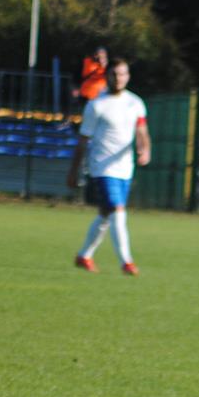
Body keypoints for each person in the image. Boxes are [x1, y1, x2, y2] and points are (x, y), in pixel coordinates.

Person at [69, 58, 149, 276]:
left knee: (106, 213)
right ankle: (127, 262)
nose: (119, 78)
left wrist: (145, 150)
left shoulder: (136, 103)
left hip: (125, 167)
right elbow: (83, 141)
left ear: (128, 76)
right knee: (117, 209)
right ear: (107, 76)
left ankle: (84, 255)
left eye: (123, 74)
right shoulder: (96, 105)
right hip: (102, 167)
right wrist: (73, 170)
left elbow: (142, 132)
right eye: (114, 74)